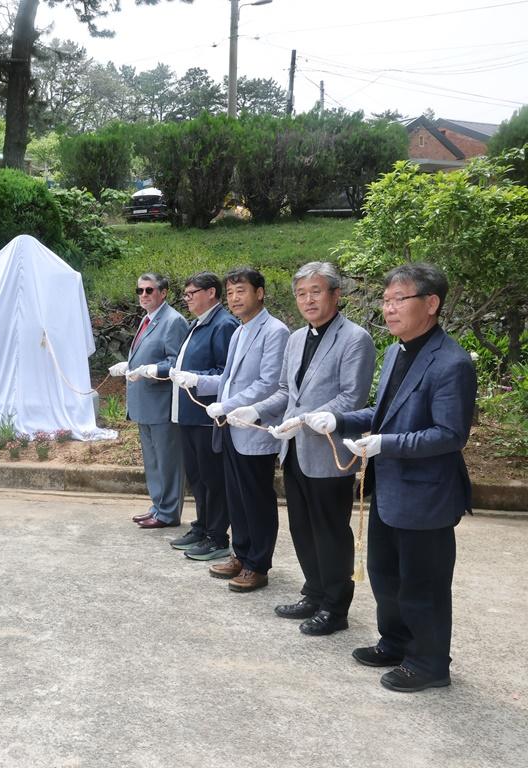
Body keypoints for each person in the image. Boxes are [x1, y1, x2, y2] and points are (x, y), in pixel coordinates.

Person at [304, 263, 476, 693]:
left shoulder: (450, 362)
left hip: (426, 496)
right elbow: (382, 416)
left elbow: (449, 434)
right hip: (388, 488)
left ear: (431, 304)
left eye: (400, 299)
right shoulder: (398, 350)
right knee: (386, 574)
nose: (389, 308)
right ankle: (396, 642)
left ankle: (430, 662)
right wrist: (338, 419)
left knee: (423, 584)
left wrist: (386, 443)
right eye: (386, 300)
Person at [253, 263, 376, 636]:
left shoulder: (355, 338)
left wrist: (305, 419)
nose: (308, 299)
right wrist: (257, 411)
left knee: (330, 531)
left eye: (316, 291)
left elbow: (351, 397)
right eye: (302, 293)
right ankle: (314, 591)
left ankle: (335, 608)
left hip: (329, 450)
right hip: (294, 449)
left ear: (336, 295)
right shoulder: (294, 338)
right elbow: (286, 392)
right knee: (302, 527)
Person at [172, 268, 289, 593]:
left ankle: (258, 565)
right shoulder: (239, 331)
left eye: (242, 291)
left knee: (256, 499)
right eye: (232, 292)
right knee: (236, 497)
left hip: (253, 428)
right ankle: (241, 554)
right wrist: (200, 381)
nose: (235, 298)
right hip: (229, 428)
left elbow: (268, 384)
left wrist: (229, 404)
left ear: (260, 293)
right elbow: (227, 379)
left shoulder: (274, 331)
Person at [166, 272, 238, 561]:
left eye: (191, 293)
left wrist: (195, 378)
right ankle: (202, 526)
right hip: (189, 414)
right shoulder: (198, 324)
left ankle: (217, 535)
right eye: (185, 294)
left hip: (208, 416)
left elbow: (227, 373)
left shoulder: (223, 324)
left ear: (211, 293)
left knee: (213, 479)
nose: (187, 299)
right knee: (197, 477)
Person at [109, 273, 188, 529]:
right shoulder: (147, 319)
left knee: (168, 462)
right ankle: (158, 506)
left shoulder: (173, 321)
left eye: (149, 290)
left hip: (162, 403)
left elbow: (177, 362)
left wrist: (149, 370)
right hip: (144, 404)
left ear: (163, 293)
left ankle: (168, 512)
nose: (143, 295)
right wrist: (130, 366)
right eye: (140, 290)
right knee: (153, 462)